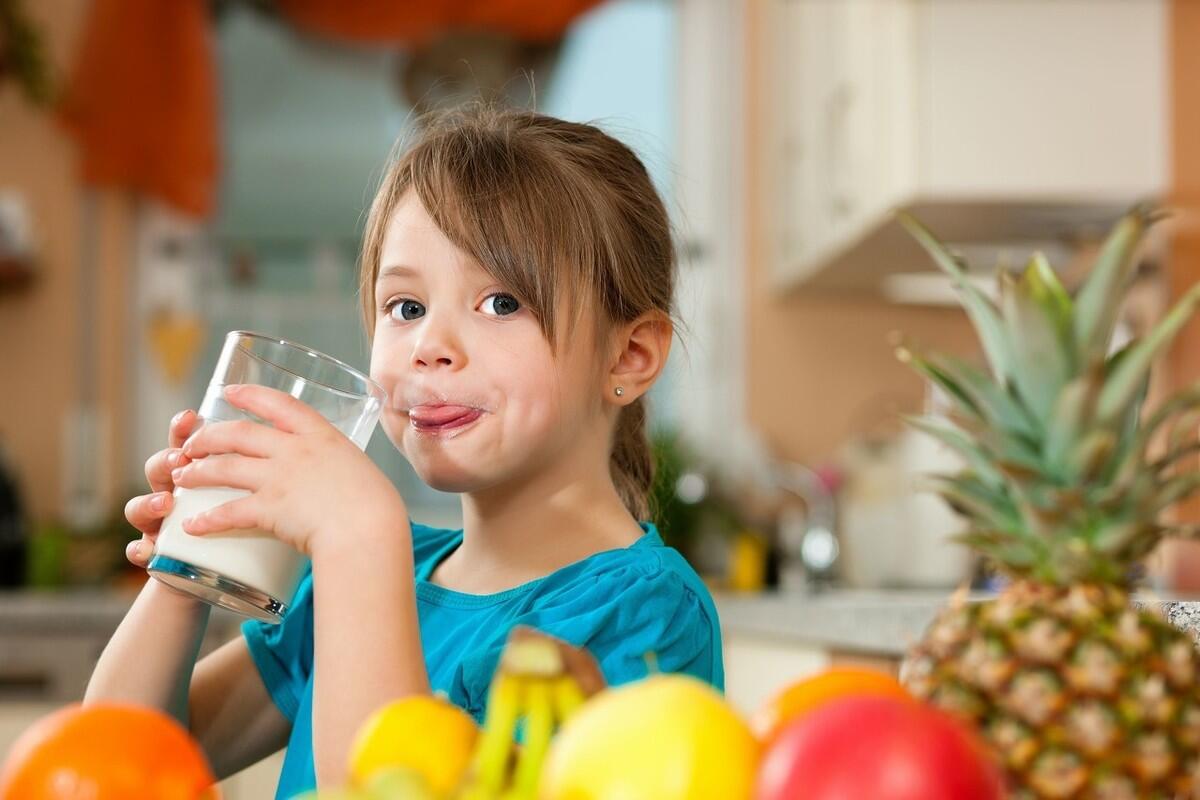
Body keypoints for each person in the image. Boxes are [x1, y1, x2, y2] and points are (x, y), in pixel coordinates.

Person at [85, 103, 723, 799]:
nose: (428, 347)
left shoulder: (648, 616)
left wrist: (359, 537)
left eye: (502, 302)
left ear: (628, 356)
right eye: (406, 308)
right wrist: (186, 571)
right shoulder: (370, 579)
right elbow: (118, 766)